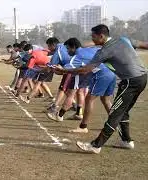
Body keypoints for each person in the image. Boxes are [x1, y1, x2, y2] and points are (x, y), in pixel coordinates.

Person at [54, 24, 148, 154]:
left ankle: (96, 145)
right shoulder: (123, 39)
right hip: (142, 78)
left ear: (101, 36)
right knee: (123, 111)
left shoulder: (105, 51)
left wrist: (64, 70)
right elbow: (145, 44)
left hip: (130, 82)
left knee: (115, 112)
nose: (92, 40)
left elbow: (85, 70)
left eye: (94, 37)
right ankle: (126, 141)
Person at [61, 38, 116, 133]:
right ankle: (115, 123)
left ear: (73, 47)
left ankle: (83, 127)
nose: (67, 51)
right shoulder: (90, 49)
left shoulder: (77, 56)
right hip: (112, 72)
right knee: (105, 100)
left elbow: (67, 69)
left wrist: (59, 69)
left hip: (102, 74)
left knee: (89, 99)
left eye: (67, 49)